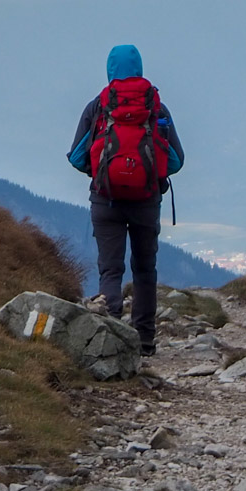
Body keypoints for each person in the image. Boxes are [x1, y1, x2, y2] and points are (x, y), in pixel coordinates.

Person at [67, 44, 184, 356]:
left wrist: (103, 173)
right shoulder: (156, 107)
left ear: (109, 69)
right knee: (145, 269)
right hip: (146, 202)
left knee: (111, 270)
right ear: (140, 68)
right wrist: (148, 172)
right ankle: (145, 340)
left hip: (106, 202)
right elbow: (176, 160)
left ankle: (113, 335)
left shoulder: (98, 106)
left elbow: (77, 157)